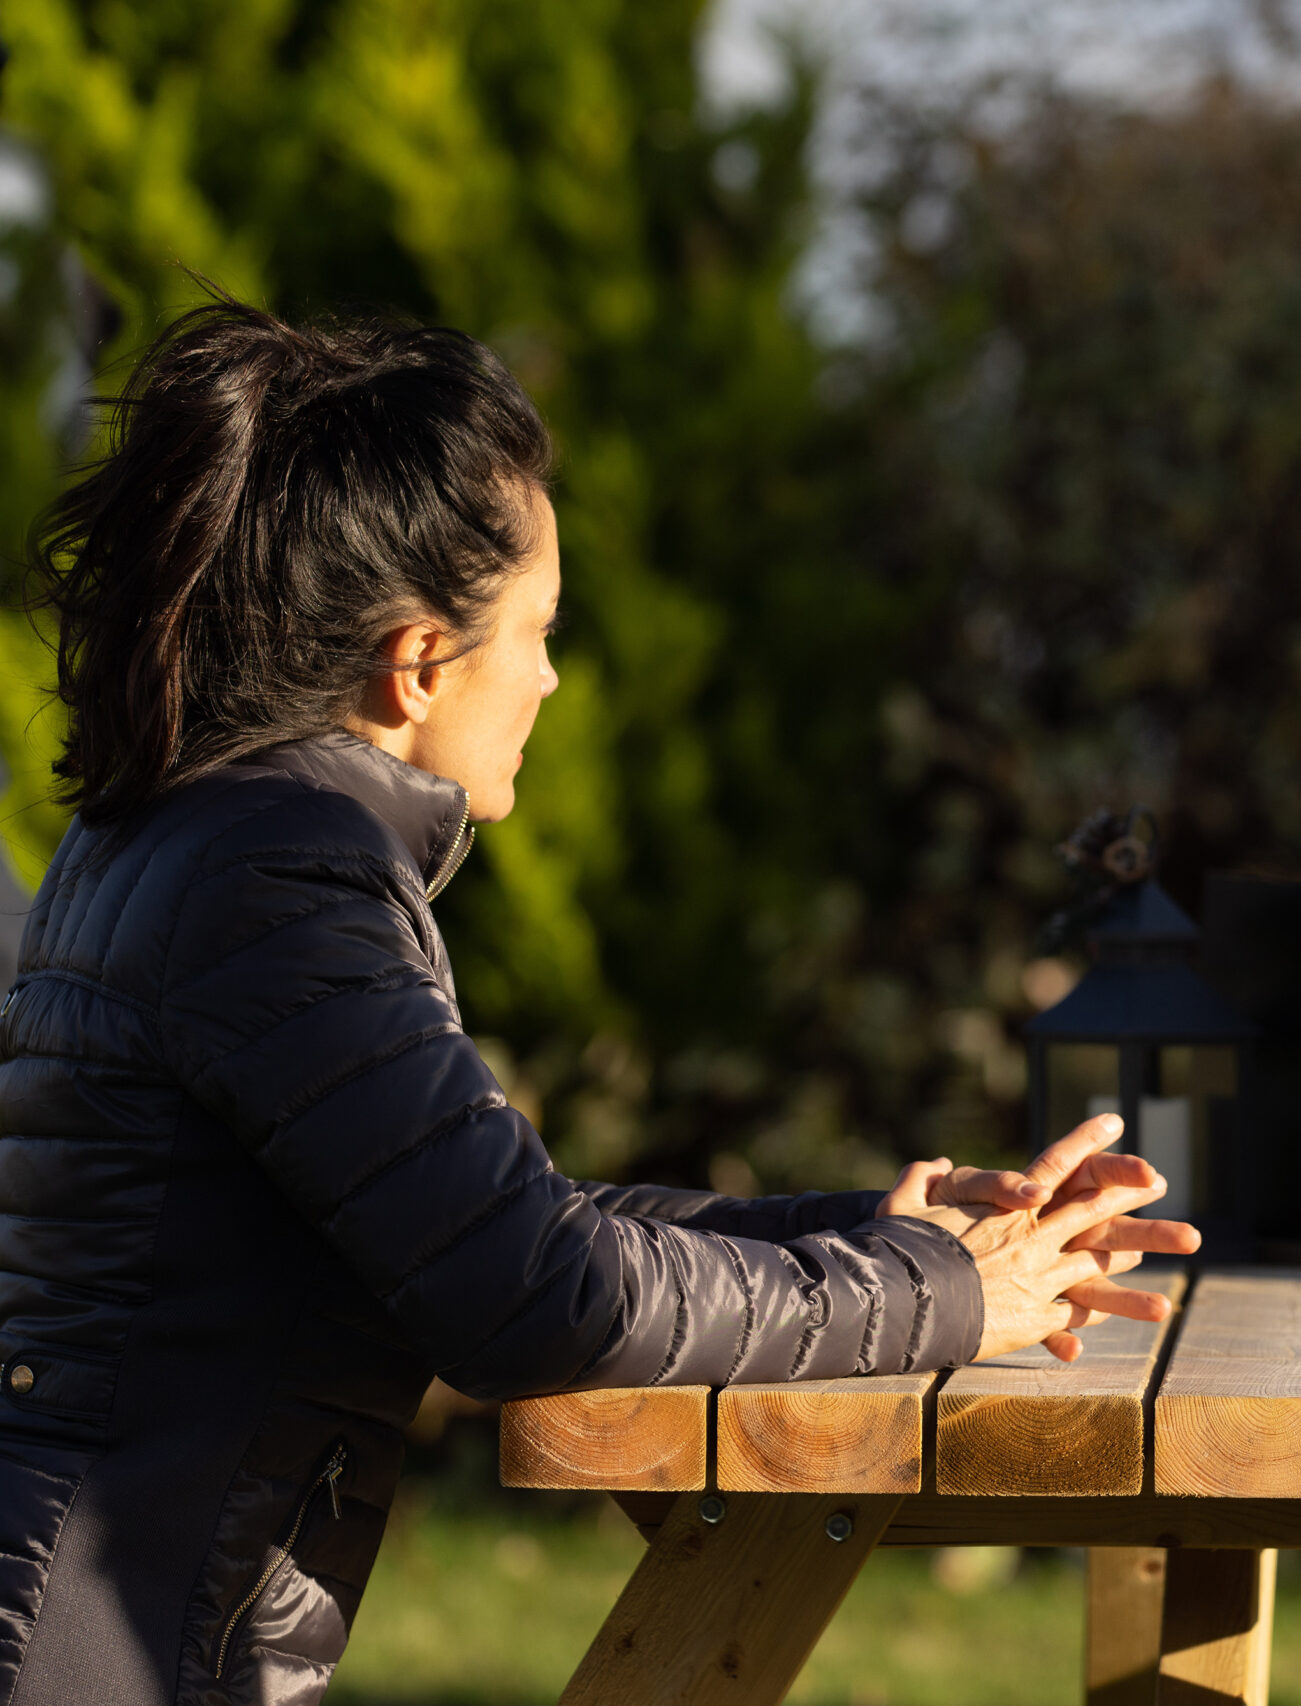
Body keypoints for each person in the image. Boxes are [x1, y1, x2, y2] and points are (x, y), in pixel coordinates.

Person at [0, 300, 1198, 1706]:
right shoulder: (279, 881)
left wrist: (869, 1234)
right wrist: (936, 1294)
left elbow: (499, 1221)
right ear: (418, 660)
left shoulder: (183, 836)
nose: (554, 676)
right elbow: (535, 1299)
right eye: (537, 630)